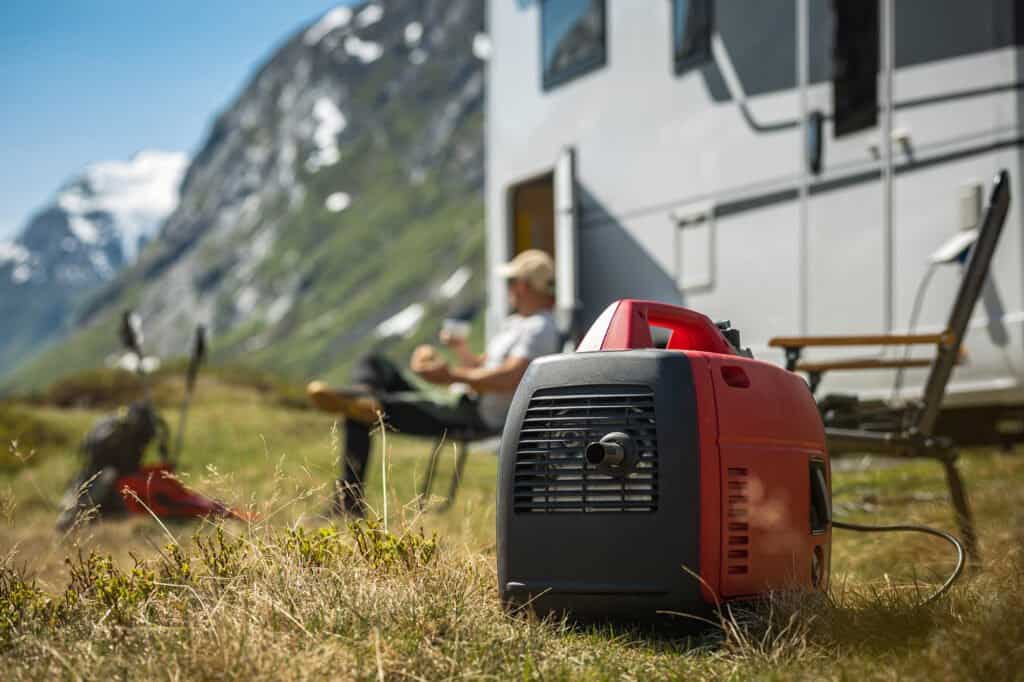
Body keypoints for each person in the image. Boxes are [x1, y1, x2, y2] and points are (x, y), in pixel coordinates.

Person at [307, 249, 562, 516]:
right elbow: (485, 367)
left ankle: (349, 501)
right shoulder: (519, 323)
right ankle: (365, 394)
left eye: (512, 282)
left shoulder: (540, 328)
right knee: (373, 366)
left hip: (470, 414)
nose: (511, 288)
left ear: (524, 285)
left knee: (357, 410)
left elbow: (512, 377)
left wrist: (450, 375)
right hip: (458, 401)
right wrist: (460, 351)